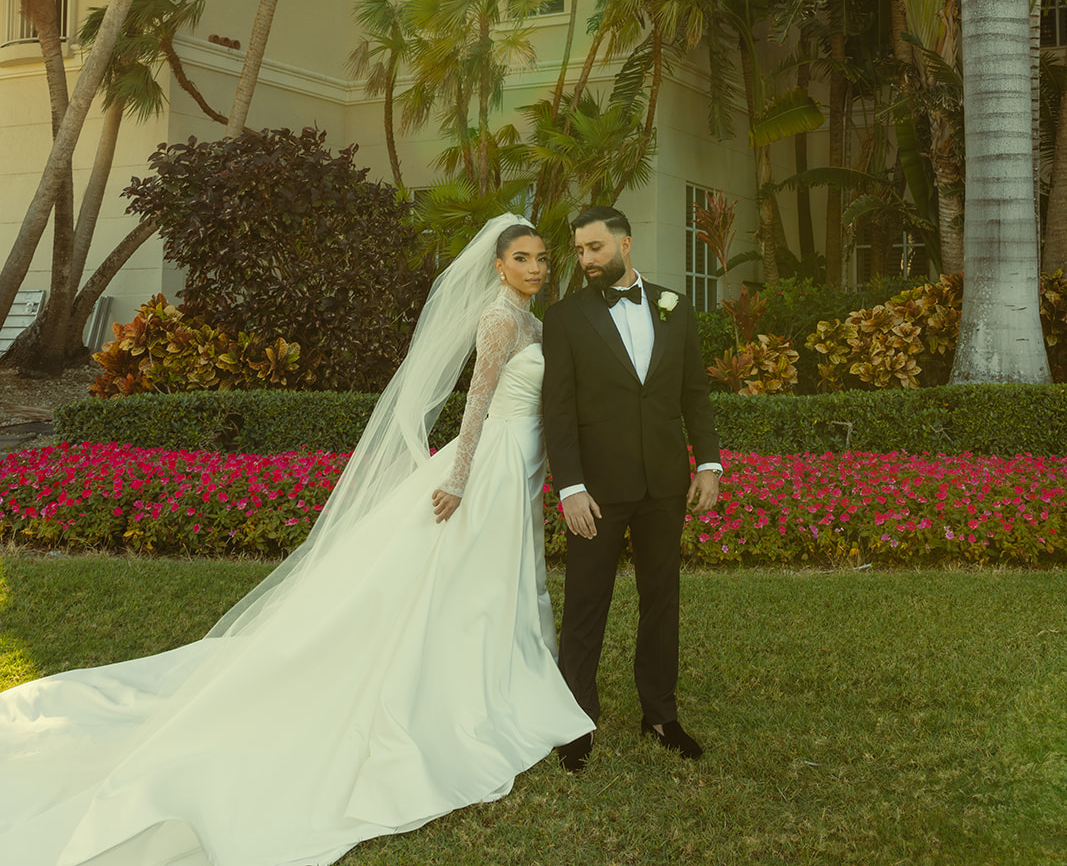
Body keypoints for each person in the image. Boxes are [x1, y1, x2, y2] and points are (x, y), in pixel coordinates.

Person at [0, 215, 593, 866]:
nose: (536, 267)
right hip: (489, 467)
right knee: (465, 578)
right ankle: (462, 686)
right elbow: (475, 406)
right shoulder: (499, 321)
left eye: (541, 257)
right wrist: (457, 477)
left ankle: (502, 671)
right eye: (523, 258)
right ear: (499, 266)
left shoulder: (536, 322)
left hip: (525, 465)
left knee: (494, 577)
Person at [542, 204, 722, 772]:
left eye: (594, 248)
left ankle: (661, 714)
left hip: (664, 484)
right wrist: (570, 486)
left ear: (625, 244)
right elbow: (558, 411)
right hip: (596, 488)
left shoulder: (675, 305)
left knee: (661, 599)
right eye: (578, 250)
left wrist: (709, 464)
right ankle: (576, 720)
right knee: (586, 605)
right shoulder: (566, 317)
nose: (586, 259)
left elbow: (694, 392)